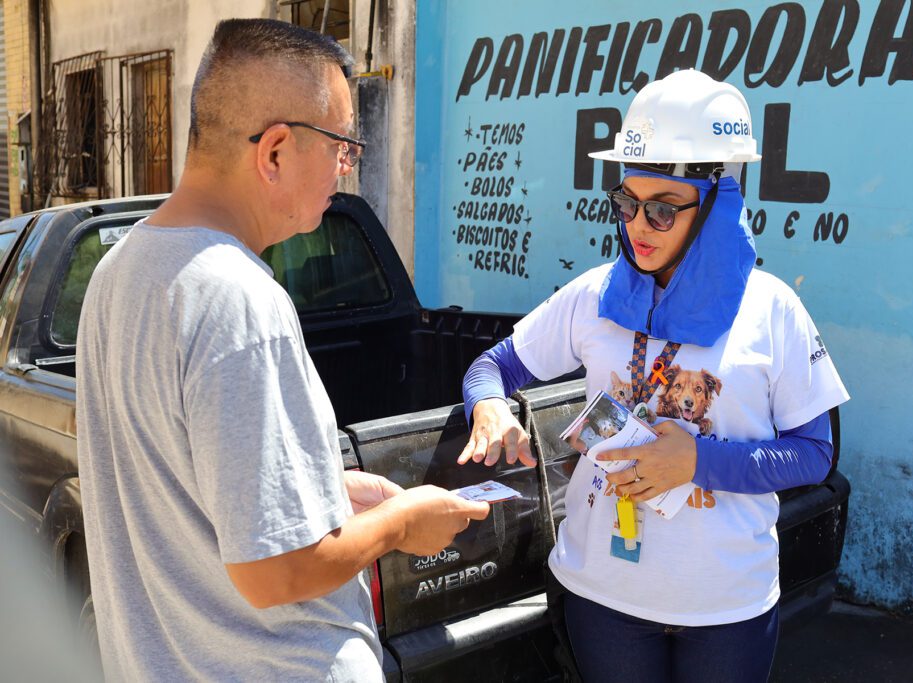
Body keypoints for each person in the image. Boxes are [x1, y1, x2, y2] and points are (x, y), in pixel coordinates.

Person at [76, 19, 489, 682]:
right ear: (273, 151)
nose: (347, 168)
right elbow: (277, 571)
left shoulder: (116, 272)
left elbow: (189, 485)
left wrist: (320, 483)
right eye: (342, 145)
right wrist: (402, 523)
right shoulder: (239, 300)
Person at [459, 69, 849, 682]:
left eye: (663, 210)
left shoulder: (773, 310)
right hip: (602, 596)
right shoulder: (593, 295)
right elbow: (493, 367)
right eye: (627, 202)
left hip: (728, 607)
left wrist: (697, 461)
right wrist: (488, 406)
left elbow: (814, 454)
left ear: (718, 202)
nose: (638, 226)